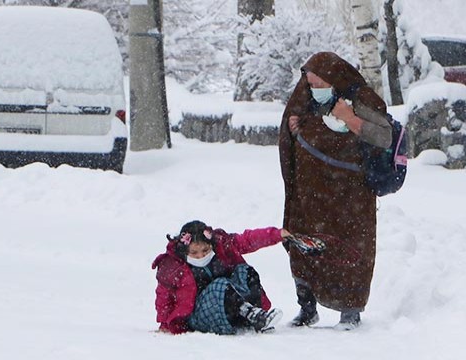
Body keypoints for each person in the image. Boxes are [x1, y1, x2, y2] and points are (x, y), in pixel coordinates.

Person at [278, 52, 393, 330]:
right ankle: (307, 308)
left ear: (336, 79)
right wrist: (296, 131)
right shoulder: (305, 98)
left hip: (349, 197)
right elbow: (293, 134)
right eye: (310, 83)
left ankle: (350, 311)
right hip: (310, 195)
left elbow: (384, 137)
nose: (314, 89)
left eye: (320, 83)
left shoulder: (360, 98)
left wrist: (349, 118)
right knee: (304, 245)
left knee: (350, 250)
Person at [152, 220, 291, 335]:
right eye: (194, 253)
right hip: (200, 316)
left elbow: (247, 240)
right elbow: (163, 297)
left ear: (211, 245)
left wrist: (277, 235)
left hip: (229, 307)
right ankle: (251, 314)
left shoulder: (222, 246)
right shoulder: (173, 267)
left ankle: (254, 314)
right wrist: (165, 323)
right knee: (219, 285)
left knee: (245, 271)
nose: (201, 256)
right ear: (185, 251)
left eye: (205, 251)